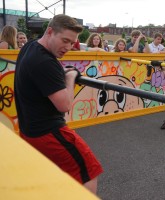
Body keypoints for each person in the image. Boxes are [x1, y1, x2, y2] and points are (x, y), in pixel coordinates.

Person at [14, 14, 103, 194]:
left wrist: (60, 74)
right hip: (48, 132)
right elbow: (65, 105)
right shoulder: (45, 62)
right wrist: (70, 77)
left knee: (52, 177)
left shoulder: (30, 47)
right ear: (49, 32)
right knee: (89, 172)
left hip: (29, 130)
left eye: (72, 43)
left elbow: (42, 79)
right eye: (65, 40)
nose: (68, 47)